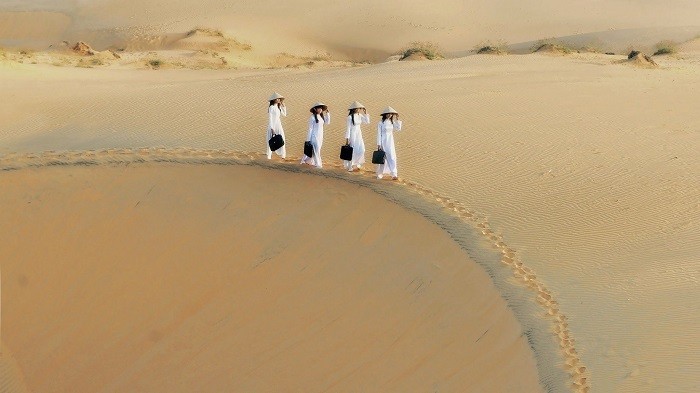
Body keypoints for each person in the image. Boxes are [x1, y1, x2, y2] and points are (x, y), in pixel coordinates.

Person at [376, 106, 403, 180]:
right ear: (385, 114)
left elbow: (398, 129)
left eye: (391, 114)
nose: (389, 115)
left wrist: (397, 119)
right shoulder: (381, 123)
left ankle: (394, 174)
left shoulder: (392, 122)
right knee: (383, 158)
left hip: (390, 142)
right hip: (383, 142)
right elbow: (379, 134)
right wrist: (379, 144)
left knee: (392, 157)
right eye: (388, 114)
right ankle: (380, 174)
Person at [301, 102, 330, 168]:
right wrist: (308, 139)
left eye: (321, 108)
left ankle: (306, 161)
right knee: (316, 150)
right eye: (319, 108)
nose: (320, 110)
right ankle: (318, 165)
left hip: (320, 136)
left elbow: (328, 122)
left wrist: (328, 114)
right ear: (315, 109)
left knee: (317, 150)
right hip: (314, 136)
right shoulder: (312, 118)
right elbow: (310, 129)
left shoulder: (321, 117)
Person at [344, 101, 369, 171]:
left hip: (359, 134)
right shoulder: (349, 117)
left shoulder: (360, 115)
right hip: (353, 134)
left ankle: (357, 164)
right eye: (357, 108)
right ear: (354, 109)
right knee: (352, 150)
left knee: (362, 149)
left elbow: (367, 122)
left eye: (359, 108)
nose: (358, 109)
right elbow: (348, 128)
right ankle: (350, 166)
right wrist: (347, 139)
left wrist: (365, 113)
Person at [266, 92, 287, 160]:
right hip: (272, 125)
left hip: (278, 125)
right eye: (277, 98)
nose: (278, 100)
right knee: (271, 140)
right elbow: (270, 118)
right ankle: (269, 156)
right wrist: (272, 128)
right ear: (274, 99)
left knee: (282, 138)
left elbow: (284, 114)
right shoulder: (271, 107)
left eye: (279, 99)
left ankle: (283, 155)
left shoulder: (278, 107)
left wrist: (283, 106)